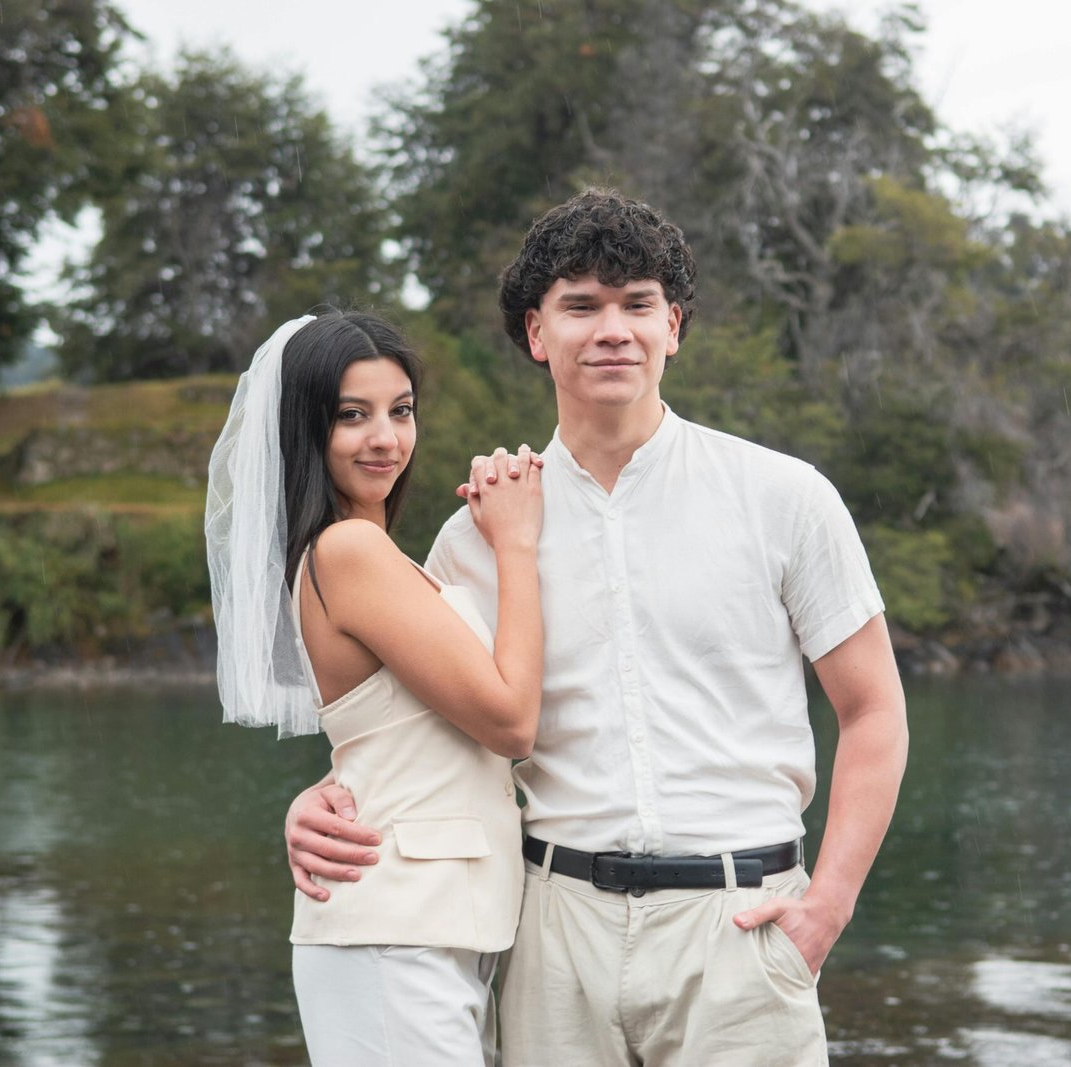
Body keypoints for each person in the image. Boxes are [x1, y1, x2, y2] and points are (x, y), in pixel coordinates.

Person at [284, 191, 909, 1066]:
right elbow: (419, 723)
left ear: (674, 327)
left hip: (738, 922)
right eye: (581, 305)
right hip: (551, 935)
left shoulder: (783, 496)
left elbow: (874, 708)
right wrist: (319, 801)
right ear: (538, 334)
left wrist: (828, 904)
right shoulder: (478, 533)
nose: (611, 328)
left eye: (637, 303)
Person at [205, 310, 545, 1066]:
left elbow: (395, 729)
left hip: (433, 926)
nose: (385, 437)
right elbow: (512, 720)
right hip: (391, 933)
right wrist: (517, 542)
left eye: (401, 411)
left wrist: (319, 787)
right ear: (308, 431)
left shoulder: (373, 553)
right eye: (351, 416)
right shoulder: (350, 550)